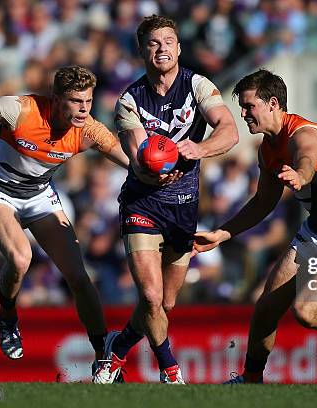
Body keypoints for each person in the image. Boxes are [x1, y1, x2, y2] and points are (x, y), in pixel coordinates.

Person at [193, 69, 317, 384]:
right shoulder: (267, 148)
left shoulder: (304, 133)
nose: (244, 114)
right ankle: (251, 381)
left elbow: (305, 159)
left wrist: (300, 177)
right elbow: (263, 202)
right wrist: (222, 234)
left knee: (306, 311)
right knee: (266, 307)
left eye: (249, 107)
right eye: (243, 108)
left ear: (273, 103)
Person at [0, 66, 130, 365]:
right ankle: (7, 317)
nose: (83, 109)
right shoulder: (20, 109)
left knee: (79, 278)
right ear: (56, 99)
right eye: (75, 101)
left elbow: (133, 165)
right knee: (20, 258)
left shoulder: (89, 131)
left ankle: (104, 358)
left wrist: (161, 174)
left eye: (88, 101)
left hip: (40, 196)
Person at [91, 15, 238, 385]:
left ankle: (117, 348)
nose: (163, 48)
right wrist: (153, 171)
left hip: (184, 207)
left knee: (166, 303)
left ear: (179, 48)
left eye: (169, 41)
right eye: (154, 43)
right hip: (143, 203)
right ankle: (170, 370)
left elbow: (230, 131)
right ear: (142, 50)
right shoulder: (129, 100)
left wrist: (198, 148)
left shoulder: (198, 85)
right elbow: (138, 160)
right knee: (152, 296)